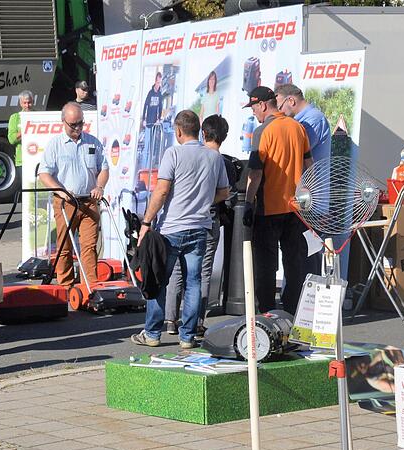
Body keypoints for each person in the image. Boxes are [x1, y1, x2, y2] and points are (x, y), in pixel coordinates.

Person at [131, 110, 229, 349]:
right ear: (199, 131)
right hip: (200, 227)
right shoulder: (214, 157)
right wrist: (203, 201)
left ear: (178, 131)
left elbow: (162, 191)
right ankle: (187, 337)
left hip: (172, 228)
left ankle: (152, 333)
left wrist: (146, 222)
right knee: (193, 282)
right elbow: (224, 192)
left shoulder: (173, 153)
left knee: (160, 280)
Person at [163, 115, 239, 338]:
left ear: (203, 133)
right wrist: (205, 201)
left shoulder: (183, 155)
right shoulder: (223, 162)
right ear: (224, 136)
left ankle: (170, 319)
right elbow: (226, 194)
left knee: (176, 272)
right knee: (200, 274)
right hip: (207, 221)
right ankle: (195, 322)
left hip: (178, 220)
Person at [242, 86, 312, 314]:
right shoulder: (298, 128)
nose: (253, 112)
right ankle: (292, 311)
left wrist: (249, 203)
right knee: (294, 263)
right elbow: (309, 166)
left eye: (253, 107)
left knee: (266, 265)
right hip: (296, 208)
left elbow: (255, 173)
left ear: (262, 105)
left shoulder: (263, 131)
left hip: (269, 208)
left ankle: (267, 314)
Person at [37, 102, 108, 287]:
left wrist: (99, 186)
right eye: (73, 124)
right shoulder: (55, 145)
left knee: (89, 246)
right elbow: (44, 174)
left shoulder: (93, 142)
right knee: (65, 246)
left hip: (89, 201)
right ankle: (66, 286)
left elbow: (104, 168)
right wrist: (61, 191)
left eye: (80, 123)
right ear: (63, 122)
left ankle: (90, 287)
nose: (77, 128)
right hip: (66, 203)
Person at [275, 83, 331, 278]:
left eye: (279, 106)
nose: (279, 112)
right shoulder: (304, 121)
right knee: (298, 256)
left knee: (307, 256)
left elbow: (296, 151)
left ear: (291, 100)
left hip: (313, 203)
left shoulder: (312, 120)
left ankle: (308, 294)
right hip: (304, 200)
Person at [141, 72, 164, 168]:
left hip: (155, 124)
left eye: (160, 82)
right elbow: (145, 106)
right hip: (148, 123)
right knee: (146, 147)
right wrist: (144, 119)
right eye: (158, 82)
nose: (159, 84)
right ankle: (144, 167)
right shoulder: (150, 93)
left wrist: (159, 119)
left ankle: (148, 168)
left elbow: (160, 108)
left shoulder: (160, 95)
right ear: (155, 81)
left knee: (151, 148)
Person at [8, 90, 34, 168]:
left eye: (29, 102)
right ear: (20, 103)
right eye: (24, 103)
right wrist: (25, 129)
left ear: (33, 102)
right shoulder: (15, 117)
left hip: (37, 158)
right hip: (22, 160)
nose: (27, 105)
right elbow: (11, 139)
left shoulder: (38, 116)